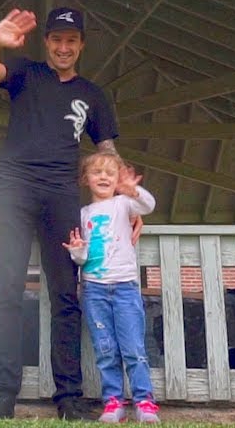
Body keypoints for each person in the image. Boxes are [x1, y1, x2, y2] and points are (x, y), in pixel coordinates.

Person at [0, 6, 120, 421]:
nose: (63, 47)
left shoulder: (92, 94)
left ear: (81, 45)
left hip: (61, 194)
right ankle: (2, 396)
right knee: (7, 291)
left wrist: (125, 200)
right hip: (14, 188)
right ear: (47, 42)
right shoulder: (26, 72)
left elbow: (107, 151)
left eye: (71, 40)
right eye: (56, 39)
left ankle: (69, 398)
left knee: (66, 296)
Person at [64, 154, 160, 424]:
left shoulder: (123, 204)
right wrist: (76, 251)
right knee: (105, 350)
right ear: (86, 179)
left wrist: (133, 190)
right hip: (94, 290)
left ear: (118, 179)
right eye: (97, 172)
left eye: (110, 173)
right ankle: (113, 402)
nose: (104, 177)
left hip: (124, 288)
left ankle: (144, 402)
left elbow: (148, 205)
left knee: (133, 348)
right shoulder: (83, 214)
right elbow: (82, 259)